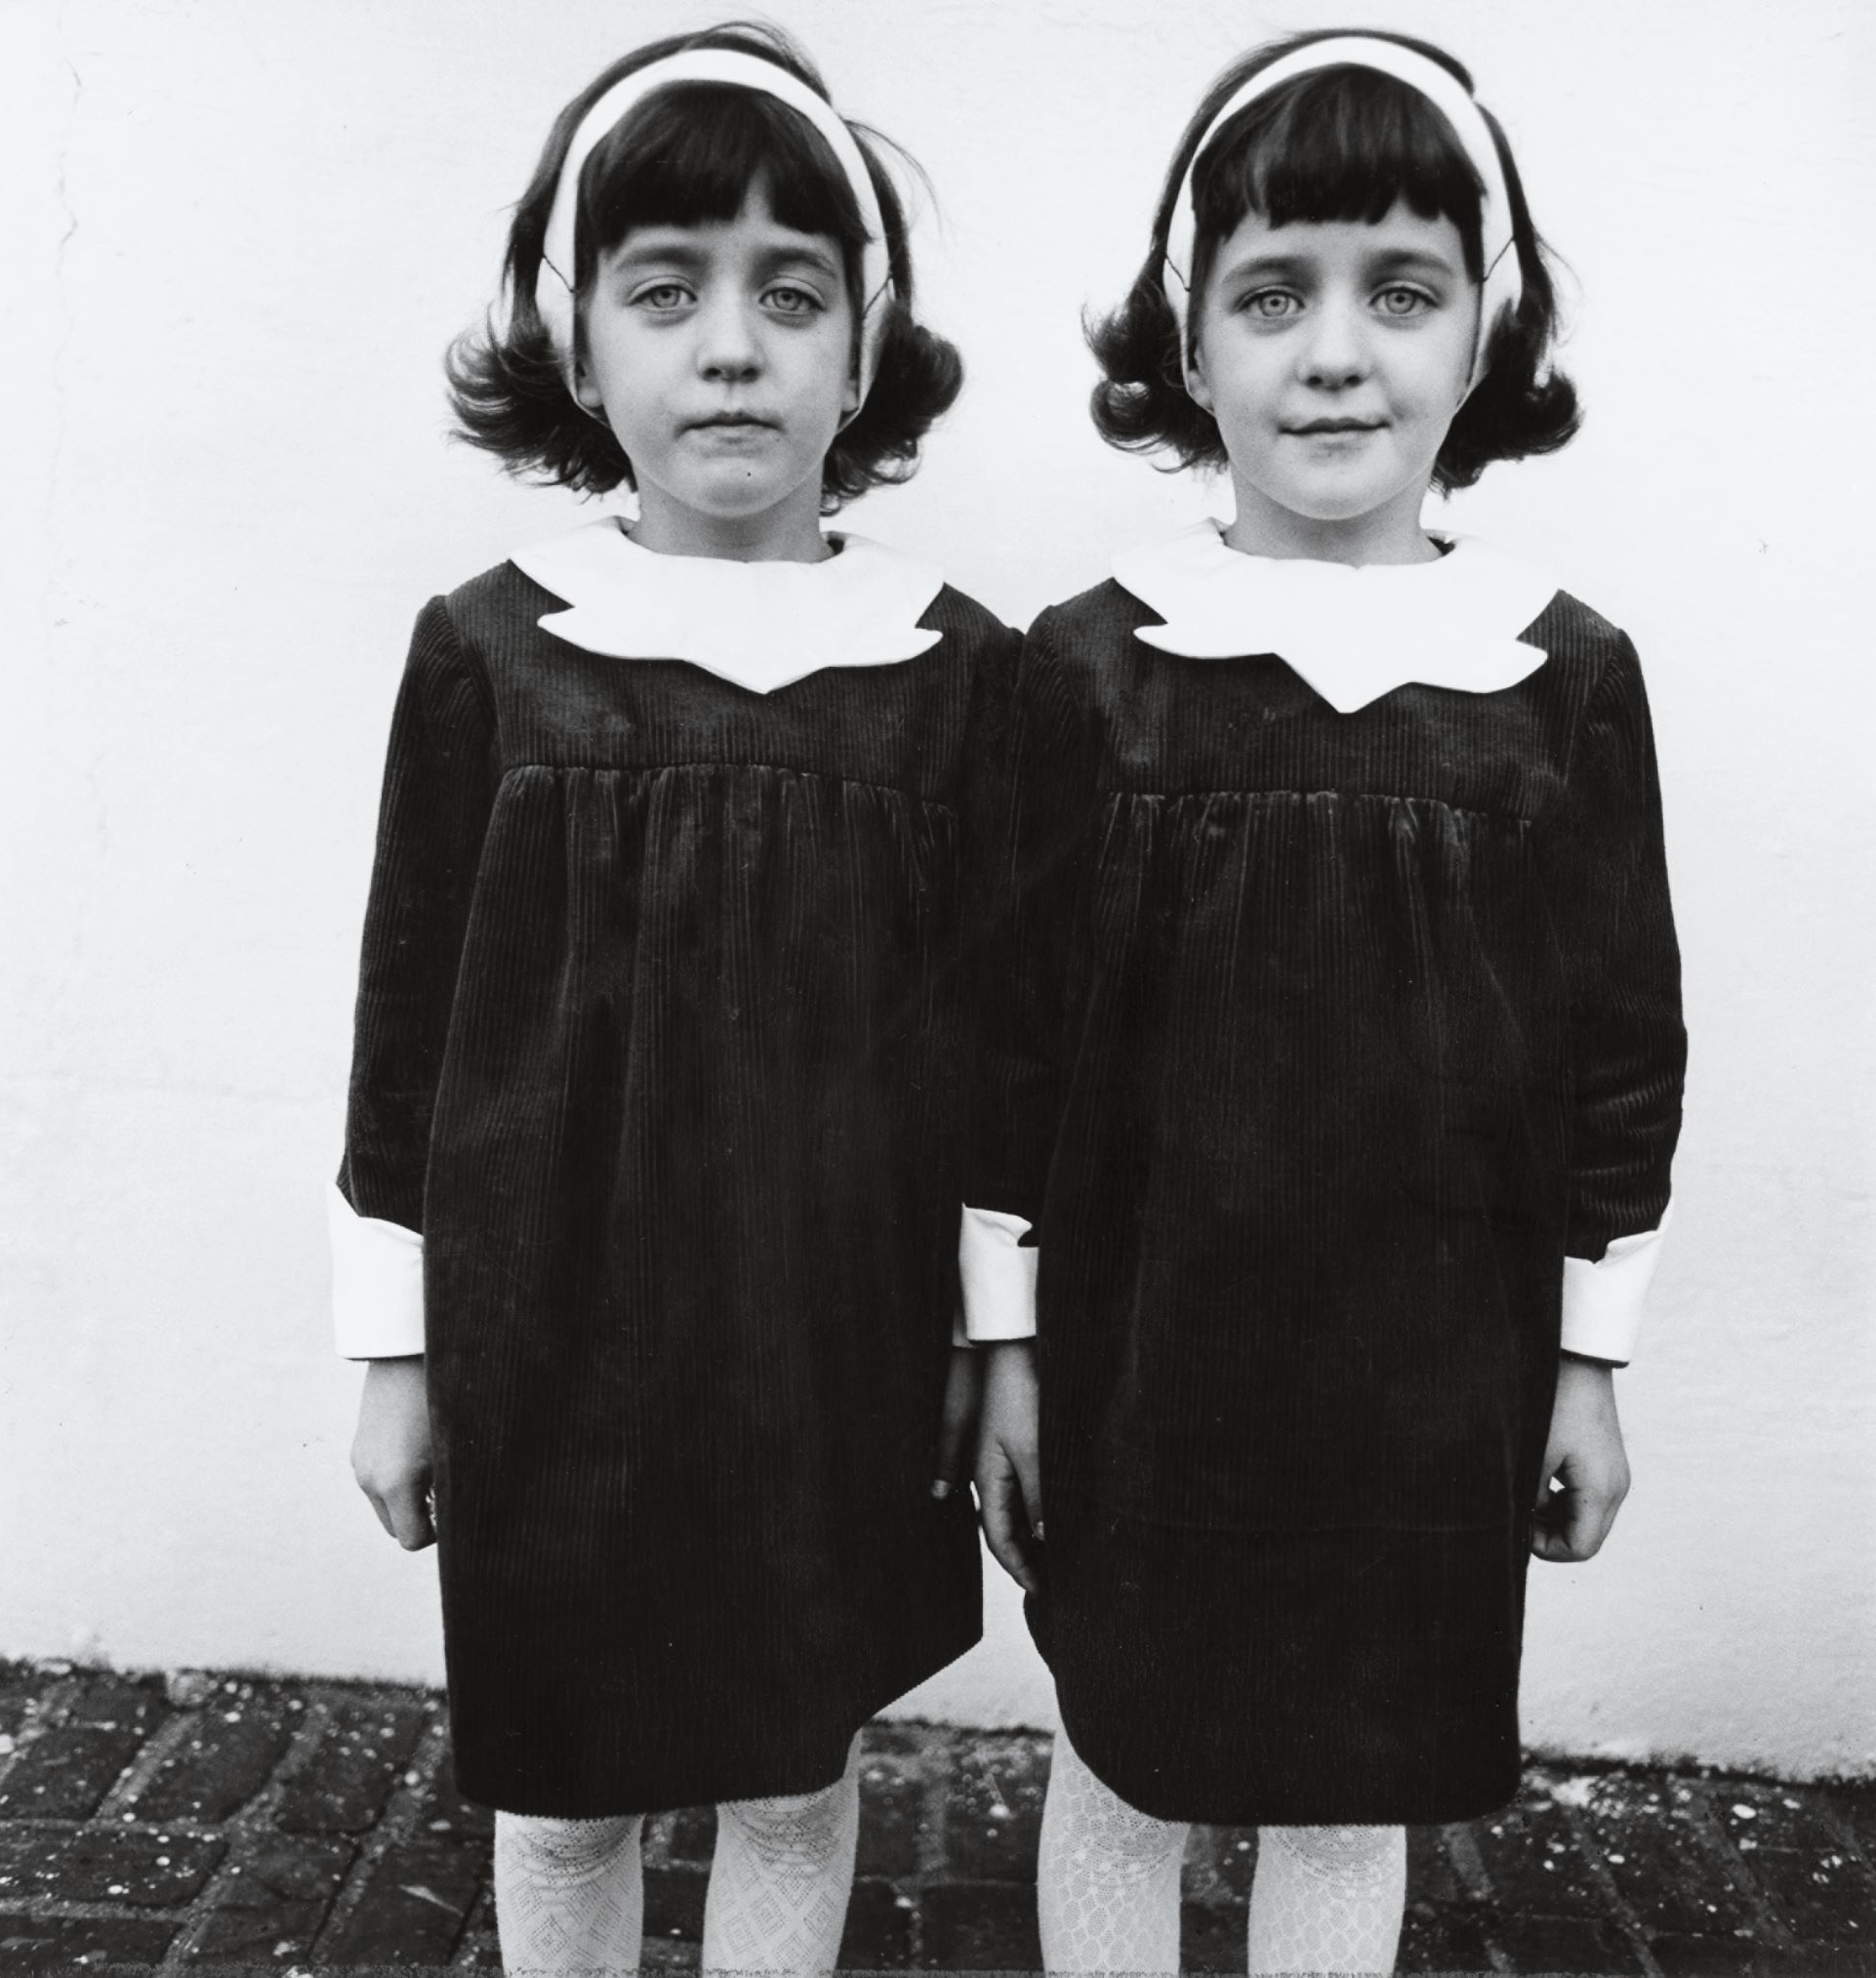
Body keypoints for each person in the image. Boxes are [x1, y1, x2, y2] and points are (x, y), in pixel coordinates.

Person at [965, 30, 1687, 1975]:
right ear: (1187, 345)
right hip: (1146, 1352)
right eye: (1272, 293)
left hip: (1428, 1368)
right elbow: (1004, 1050)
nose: (1336, 350)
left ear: (1484, 334)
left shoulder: (1558, 680)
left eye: (1401, 289)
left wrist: (1589, 1360)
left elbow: (1622, 1044)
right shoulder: (1092, 669)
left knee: (1347, 1775)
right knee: (1127, 1757)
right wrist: (1004, 1343)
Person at [330, 24, 1014, 1972]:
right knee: (567, 1774)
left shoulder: (944, 671)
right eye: (668, 288)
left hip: (840, 1337)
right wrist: (399, 1348)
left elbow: (996, 1046)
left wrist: (994, 1321)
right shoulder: (494, 655)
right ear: (579, 337)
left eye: (790, 292)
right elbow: (408, 1019)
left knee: (794, 1761)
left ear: (862, 346)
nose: (733, 343)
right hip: (561, 1333)